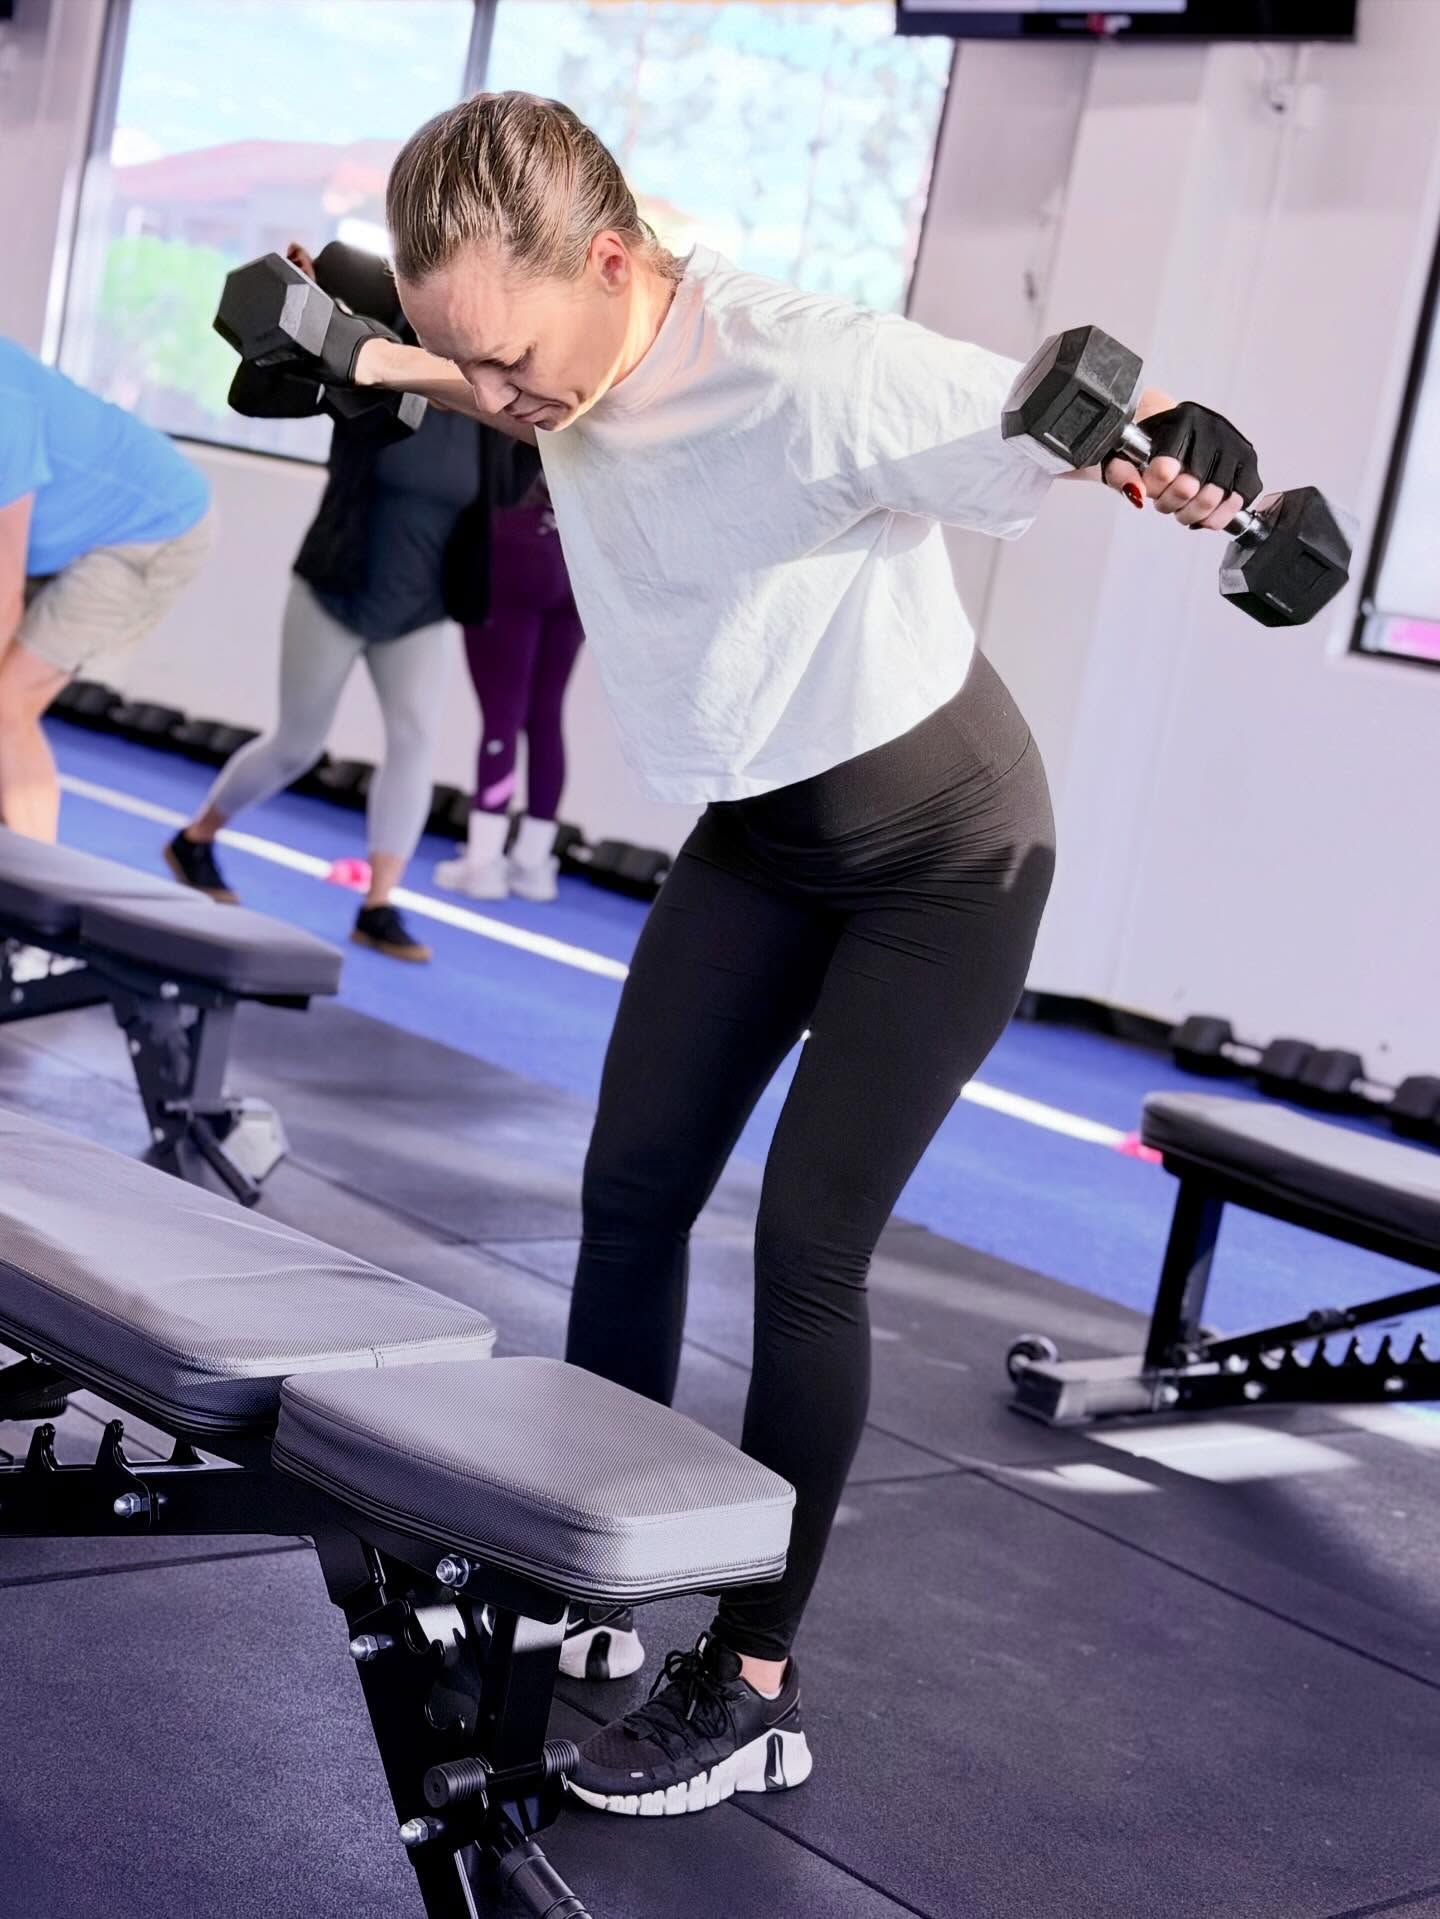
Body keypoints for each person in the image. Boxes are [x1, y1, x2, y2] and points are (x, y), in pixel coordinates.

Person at [354, 91, 1265, 1813]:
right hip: (763, 834)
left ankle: (752, 1673)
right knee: (628, 1191)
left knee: (808, 1247)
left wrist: (1186, 445)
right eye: (461, 361)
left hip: (945, 857)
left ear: (614, 262)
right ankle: (598, 1562)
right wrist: (364, 347)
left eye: (513, 361)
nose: (500, 399)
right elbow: (448, 356)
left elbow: (1072, 416)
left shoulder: (806, 364)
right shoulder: (532, 345)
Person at [166, 241, 489, 964]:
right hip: (336, 583)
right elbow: (254, 395)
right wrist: (302, 314)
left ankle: (379, 905)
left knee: (413, 740)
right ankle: (196, 840)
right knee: (298, 743)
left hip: (419, 604)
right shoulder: (377, 355)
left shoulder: (492, 400)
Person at [0, 335, 213, 842]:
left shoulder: (4, 405)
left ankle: (34, 903)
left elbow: (4, 586)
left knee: (7, 706)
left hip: (149, 527)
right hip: (61, 531)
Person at [434, 435, 582, 903]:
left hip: (515, 542)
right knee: (546, 714)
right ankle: (534, 862)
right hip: (573, 548)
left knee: (502, 713)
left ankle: (484, 860)